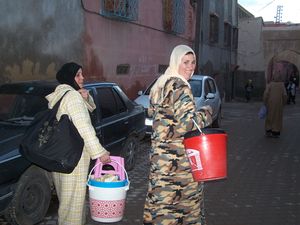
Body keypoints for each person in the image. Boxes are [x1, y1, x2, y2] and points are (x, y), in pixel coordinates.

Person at [143, 45, 212, 225]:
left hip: (160, 160)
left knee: (160, 207)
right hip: (178, 165)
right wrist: (206, 112)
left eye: (193, 62)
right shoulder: (180, 86)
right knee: (181, 211)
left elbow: (152, 113)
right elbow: (188, 124)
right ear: (176, 62)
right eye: (186, 62)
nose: (191, 67)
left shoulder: (161, 83)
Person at [46, 62, 111, 225]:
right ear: (70, 77)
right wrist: (100, 153)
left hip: (60, 157)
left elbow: (77, 117)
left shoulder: (61, 94)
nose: (83, 78)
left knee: (67, 202)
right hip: (74, 159)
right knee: (72, 207)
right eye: (78, 75)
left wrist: (86, 98)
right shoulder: (72, 96)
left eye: (82, 74)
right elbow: (84, 127)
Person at [263, 71, 287, 138]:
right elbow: (285, 95)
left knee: (269, 116)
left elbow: (265, 94)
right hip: (279, 104)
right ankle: (275, 132)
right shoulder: (282, 85)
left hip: (270, 103)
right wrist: (284, 103)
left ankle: (268, 130)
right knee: (277, 118)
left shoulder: (270, 84)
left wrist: (265, 102)